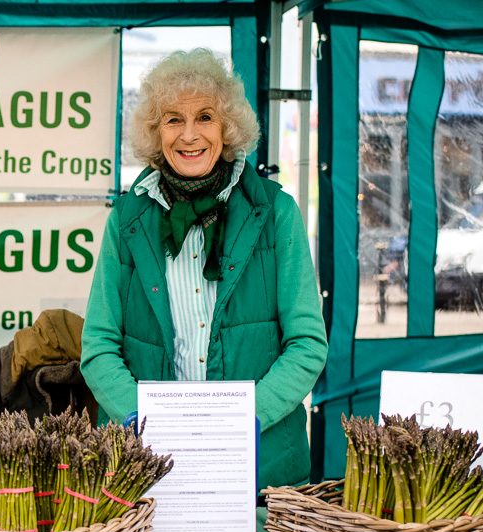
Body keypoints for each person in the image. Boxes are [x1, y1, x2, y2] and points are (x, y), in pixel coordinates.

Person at [80, 48, 327, 489]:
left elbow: (307, 344)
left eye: (205, 117)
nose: (189, 135)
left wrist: (241, 420)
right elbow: (99, 345)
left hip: (262, 465)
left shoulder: (276, 212)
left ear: (227, 127)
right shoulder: (126, 219)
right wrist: (143, 420)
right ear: (156, 132)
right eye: (173, 119)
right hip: (147, 465)